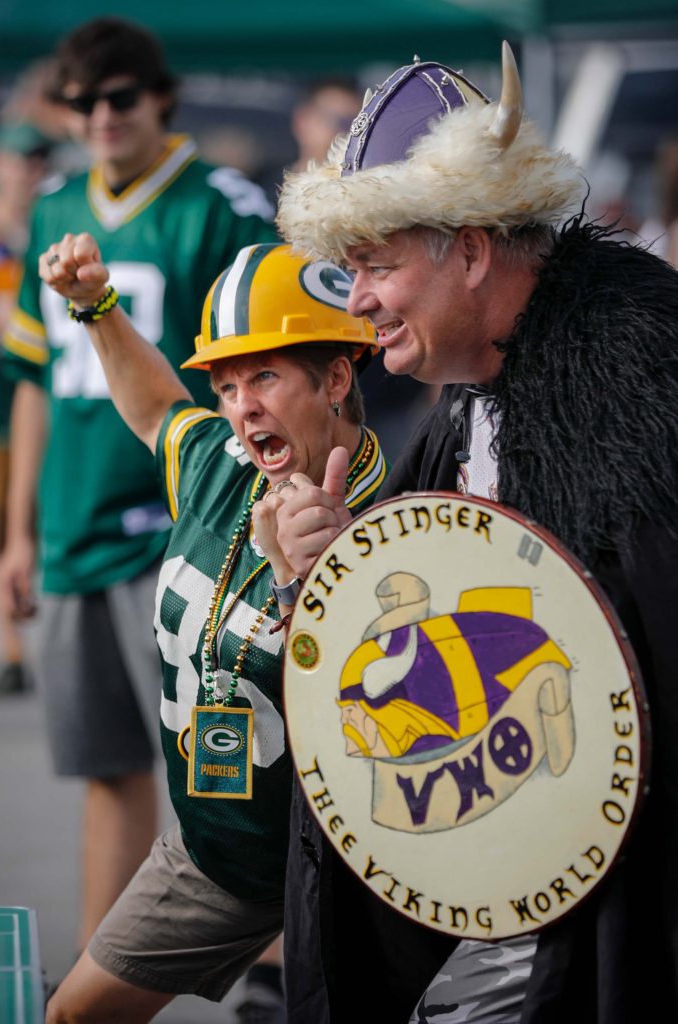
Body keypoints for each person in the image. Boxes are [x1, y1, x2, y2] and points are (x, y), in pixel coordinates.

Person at [272, 43, 678, 1024]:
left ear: (472, 246)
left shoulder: (642, 393)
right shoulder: (472, 400)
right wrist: (322, 573)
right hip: (506, 885)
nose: (357, 301)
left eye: (374, 266)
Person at [37, 235, 386, 1023]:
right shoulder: (218, 460)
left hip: (344, 876)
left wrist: (311, 586)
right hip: (217, 852)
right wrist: (94, 306)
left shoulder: (394, 518)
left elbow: (388, 725)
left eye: (263, 375)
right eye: (226, 385)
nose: (241, 406)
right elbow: (158, 405)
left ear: (335, 377)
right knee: (71, 1015)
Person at [0, 16, 276, 964]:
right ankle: (98, 973)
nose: (101, 117)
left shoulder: (223, 204)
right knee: (106, 770)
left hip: (187, 531)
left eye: (119, 97)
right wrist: (20, 534)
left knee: (234, 773)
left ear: (160, 95)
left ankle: (280, 972)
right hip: (75, 529)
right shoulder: (54, 207)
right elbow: (34, 382)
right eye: (82, 102)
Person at [0, 120, 53, 697]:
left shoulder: (53, 229)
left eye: (37, 159)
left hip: (48, 400)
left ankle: (48, 637)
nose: (27, 169)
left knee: (44, 520)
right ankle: (12, 648)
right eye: (18, 158)